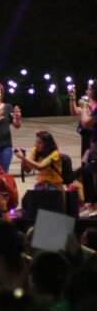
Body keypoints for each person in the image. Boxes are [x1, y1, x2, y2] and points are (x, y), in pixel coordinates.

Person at [70, 82, 97, 216]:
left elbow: (86, 123)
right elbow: (75, 111)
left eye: (89, 89)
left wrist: (85, 106)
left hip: (93, 144)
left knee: (91, 174)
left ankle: (93, 205)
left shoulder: (93, 106)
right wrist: (72, 98)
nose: (86, 91)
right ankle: (90, 204)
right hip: (90, 144)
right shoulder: (90, 105)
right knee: (87, 172)